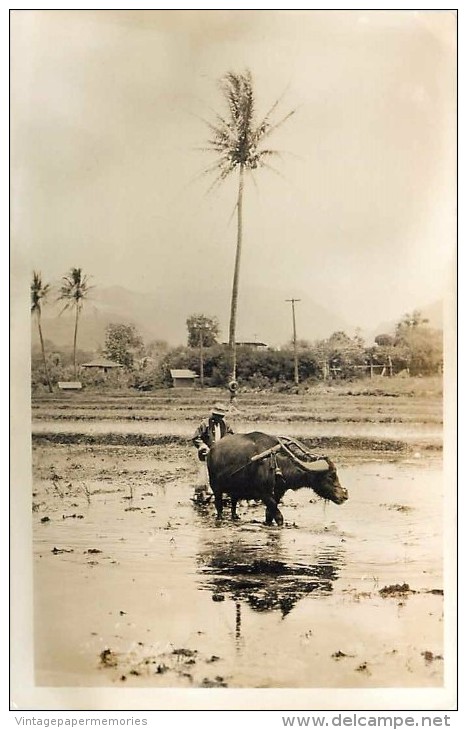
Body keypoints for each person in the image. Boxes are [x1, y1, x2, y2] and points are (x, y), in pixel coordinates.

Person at [192, 403, 234, 503]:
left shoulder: (225, 425)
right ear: (213, 414)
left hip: (221, 454)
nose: (219, 418)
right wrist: (203, 446)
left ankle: (222, 492)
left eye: (221, 416)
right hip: (207, 453)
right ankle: (203, 493)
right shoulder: (205, 424)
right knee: (205, 473)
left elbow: (231, 436)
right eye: (217, 416)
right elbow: (196, 438)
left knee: (222, 473)